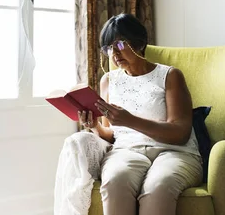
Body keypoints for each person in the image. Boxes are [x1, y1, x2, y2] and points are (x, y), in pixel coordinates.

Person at [78, 13, 202, 215]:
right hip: (127, 151)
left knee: (158, 186)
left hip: (174, 152)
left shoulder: (170, 76)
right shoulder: (109, 81)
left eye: (119, 45)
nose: (114, 53)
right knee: (115, 181)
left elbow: (180, 133)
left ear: (139, 42)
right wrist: (94, 126)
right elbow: (112, 135)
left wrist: (130, 120)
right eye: (108, 48)